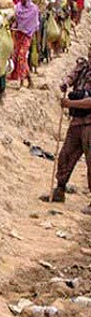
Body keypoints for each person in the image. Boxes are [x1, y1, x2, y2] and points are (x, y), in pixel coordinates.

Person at [48, 46, 91, 214]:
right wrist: (65, 83)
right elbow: (71, 76)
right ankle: (60, 189)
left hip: (89, 122)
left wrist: (70, 104)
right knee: (66, 154)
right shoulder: (83, 67)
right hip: (77, 121)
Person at [10, 0, 40, 89]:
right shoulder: (18, 7)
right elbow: (16, 19)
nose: (22, 1)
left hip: (27, 36)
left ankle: (22, 80)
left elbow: (35, 25)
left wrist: (37, 41)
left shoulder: (34, 9)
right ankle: (28, 79)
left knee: (22, 57)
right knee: (16, 56)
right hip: (18, 34)